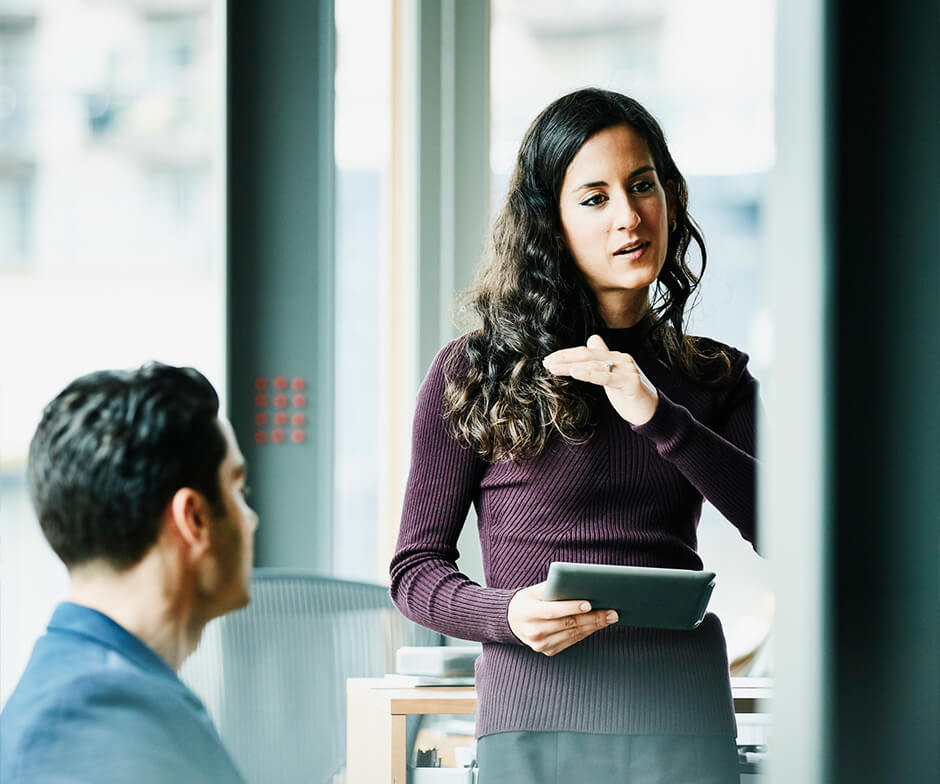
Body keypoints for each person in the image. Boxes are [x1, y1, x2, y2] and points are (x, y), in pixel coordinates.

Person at [390, 88, 758, 783]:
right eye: (594, 198)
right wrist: (507, 613)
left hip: (682, 714)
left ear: (670, 196)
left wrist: (656, 414)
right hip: (532, 716)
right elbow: (415, 573)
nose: (629, 216)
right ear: (551, 224)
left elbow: (791, 533)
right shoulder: (474, 370)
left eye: (642, 185)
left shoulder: (714, 376)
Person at [0, 363, 257, 784]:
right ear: (193, 518)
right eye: (237, 490)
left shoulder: (99, 688)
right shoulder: (89, 717)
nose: (251, 519)